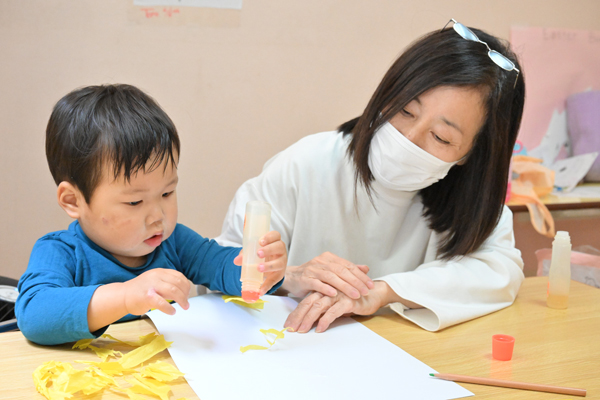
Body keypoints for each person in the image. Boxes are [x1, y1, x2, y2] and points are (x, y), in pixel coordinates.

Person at [216, 19, 525, 334]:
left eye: (441, 137)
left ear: (472, 155)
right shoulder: (306, 164)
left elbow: (500, 271)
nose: (409, 137)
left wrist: (381, 291)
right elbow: (219, 264)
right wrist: (287, 276)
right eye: (405, 111)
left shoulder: (471, 198)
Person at [16, 84, 287, 345]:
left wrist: (260, 269)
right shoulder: (60, 251)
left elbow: (222, 267)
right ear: (73, 200)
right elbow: (35, 316)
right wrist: (125, 296)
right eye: (135, 202)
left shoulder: (175, 242)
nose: (158, 216)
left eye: (167, 193)